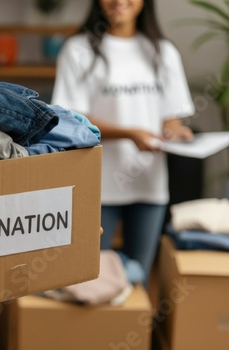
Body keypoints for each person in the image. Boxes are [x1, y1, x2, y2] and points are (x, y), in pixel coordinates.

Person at [51, 0, 195, 284]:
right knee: (91, 279)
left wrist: (175, 131)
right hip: (99, 184)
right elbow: (74, 118)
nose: (119, 1)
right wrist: (130, 133)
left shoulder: (162, 52)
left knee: (138, 278)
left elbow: (171, 117)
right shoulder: (78, 49)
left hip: (150, 185)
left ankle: (131, 329)